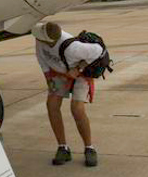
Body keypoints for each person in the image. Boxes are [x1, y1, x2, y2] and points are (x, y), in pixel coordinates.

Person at [32, 21, 104, 167]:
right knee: (51, 105)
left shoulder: (73, 48)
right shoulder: (40, 39)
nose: (37, 38)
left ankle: (89, 148)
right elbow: (42, 59)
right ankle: (63, 147)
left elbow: (99, 51)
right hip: (58, 73)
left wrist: (78, 68)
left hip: (80, 75)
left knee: (77, 109)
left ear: (50, 41)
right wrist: (49, 79)